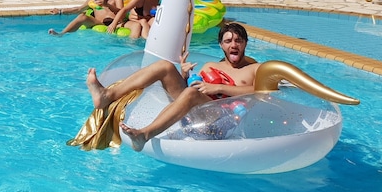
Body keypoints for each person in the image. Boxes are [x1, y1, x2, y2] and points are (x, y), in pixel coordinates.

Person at [86, 22, 260, 151]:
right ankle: (108, 95)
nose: (233, 45)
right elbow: (192, 89)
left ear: (245, 43)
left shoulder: (254, 69)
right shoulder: (211, 66)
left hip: (223, 120)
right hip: (197, 111)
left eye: (238, 40)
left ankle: (145, 134)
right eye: (228, 41)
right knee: (165, 66)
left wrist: (220, 88)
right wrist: (184, 75)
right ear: (221, 45)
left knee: (191, 94)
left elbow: (262, 91)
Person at [48, 0, 124, 36]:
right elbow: (79, 9)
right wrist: (60, 11)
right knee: (82, 16)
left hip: (116, 23)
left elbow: (122, 12)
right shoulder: (92, 1)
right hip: (101, 23)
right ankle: (61, 34)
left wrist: (107, 4)